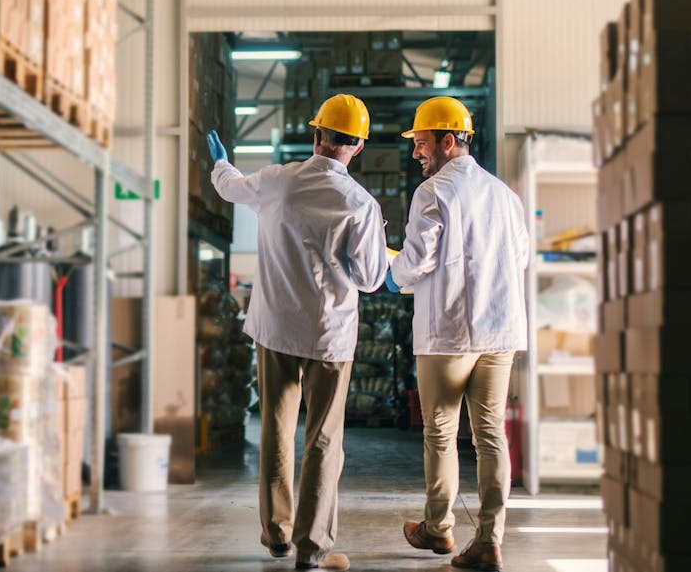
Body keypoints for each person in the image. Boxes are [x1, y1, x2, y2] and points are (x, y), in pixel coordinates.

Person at [206, 93, 387, 572]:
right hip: (330, 336)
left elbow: (229, 187)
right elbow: (370, 279)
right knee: (323, 441)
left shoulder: (277, 182)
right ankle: (312, 548)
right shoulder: (361, 205)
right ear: (358, 147)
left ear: (316, 135)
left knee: (276, 431)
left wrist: (221, 164)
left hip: (275, 330)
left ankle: (277, 535)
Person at [386, 96, 529, 572]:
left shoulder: (433, 193)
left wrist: (392, 268)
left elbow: (417, 262)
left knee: (441, 433)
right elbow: (521, 260)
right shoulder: (507, 197)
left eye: (422, 143)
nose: (415, 154)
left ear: (449, 141)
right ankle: (489, 539)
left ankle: (438, 528)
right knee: (490, 435)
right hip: (501, 329)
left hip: (448, 333)